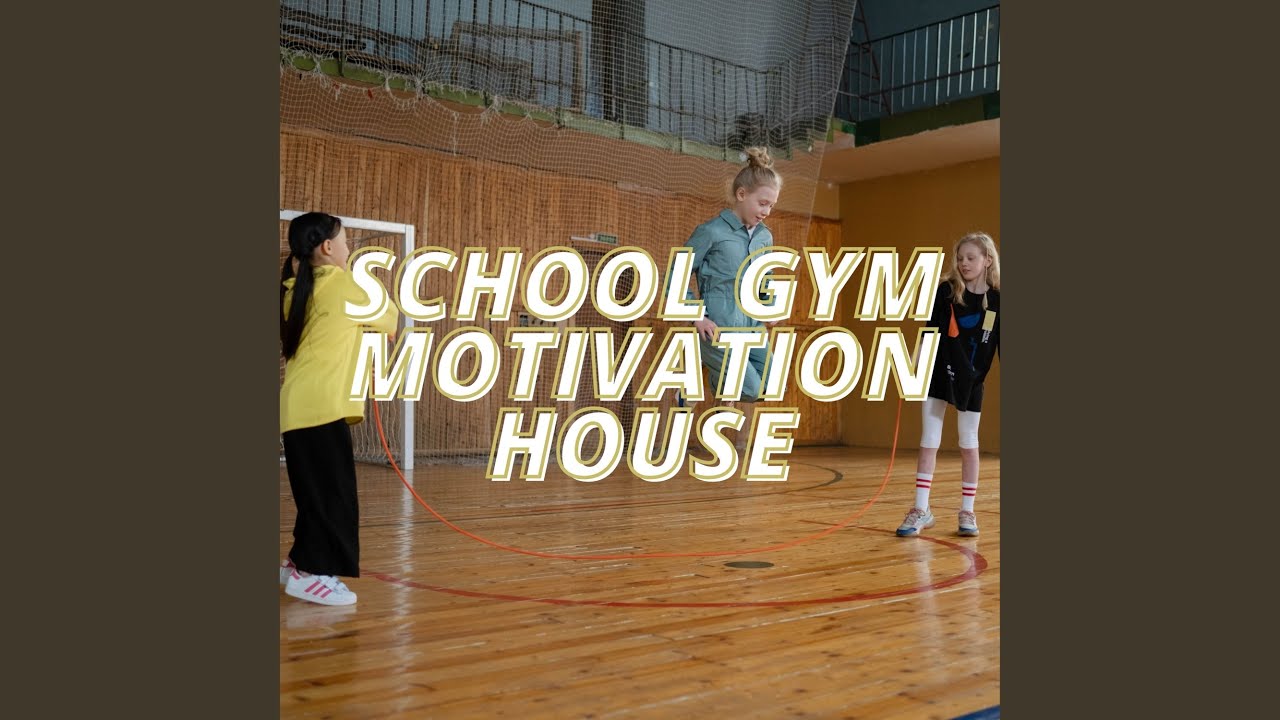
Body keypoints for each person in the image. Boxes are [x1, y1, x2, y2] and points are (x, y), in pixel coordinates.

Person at [278, 212, 399, 605]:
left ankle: (297, 563)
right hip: (323, 407)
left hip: (296, 409)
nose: (349, 248)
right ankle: (313, 575)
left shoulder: (292, 290)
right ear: (328, 247)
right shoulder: (346, 285)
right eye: (345, 241)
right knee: (334, 499)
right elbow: (391, 320)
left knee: (314, 494)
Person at [676, 147, 782, 454]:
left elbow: (765, 278)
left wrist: (770, 306)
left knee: (770, 385)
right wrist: (697, 316)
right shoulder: (710, 232)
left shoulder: (765, 237)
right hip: (719, 330)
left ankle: (710, 378)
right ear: (741, 194)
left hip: (754, 329)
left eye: (771, 205)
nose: (767, 211)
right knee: (748, 387)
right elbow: (677, 274)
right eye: (762, 203)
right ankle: (706, 371)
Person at [897, 232, 1001, 537]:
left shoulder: (997, 300)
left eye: (971, 257)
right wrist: (913, 365)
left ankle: (967, 511)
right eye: (960, 257)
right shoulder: (947, 291)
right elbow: (929, 330)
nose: (963, 263)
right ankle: (921, 509)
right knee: (929, 439)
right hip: (938, 373)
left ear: (987, 260)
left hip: (973, 379)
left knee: (969, 443)